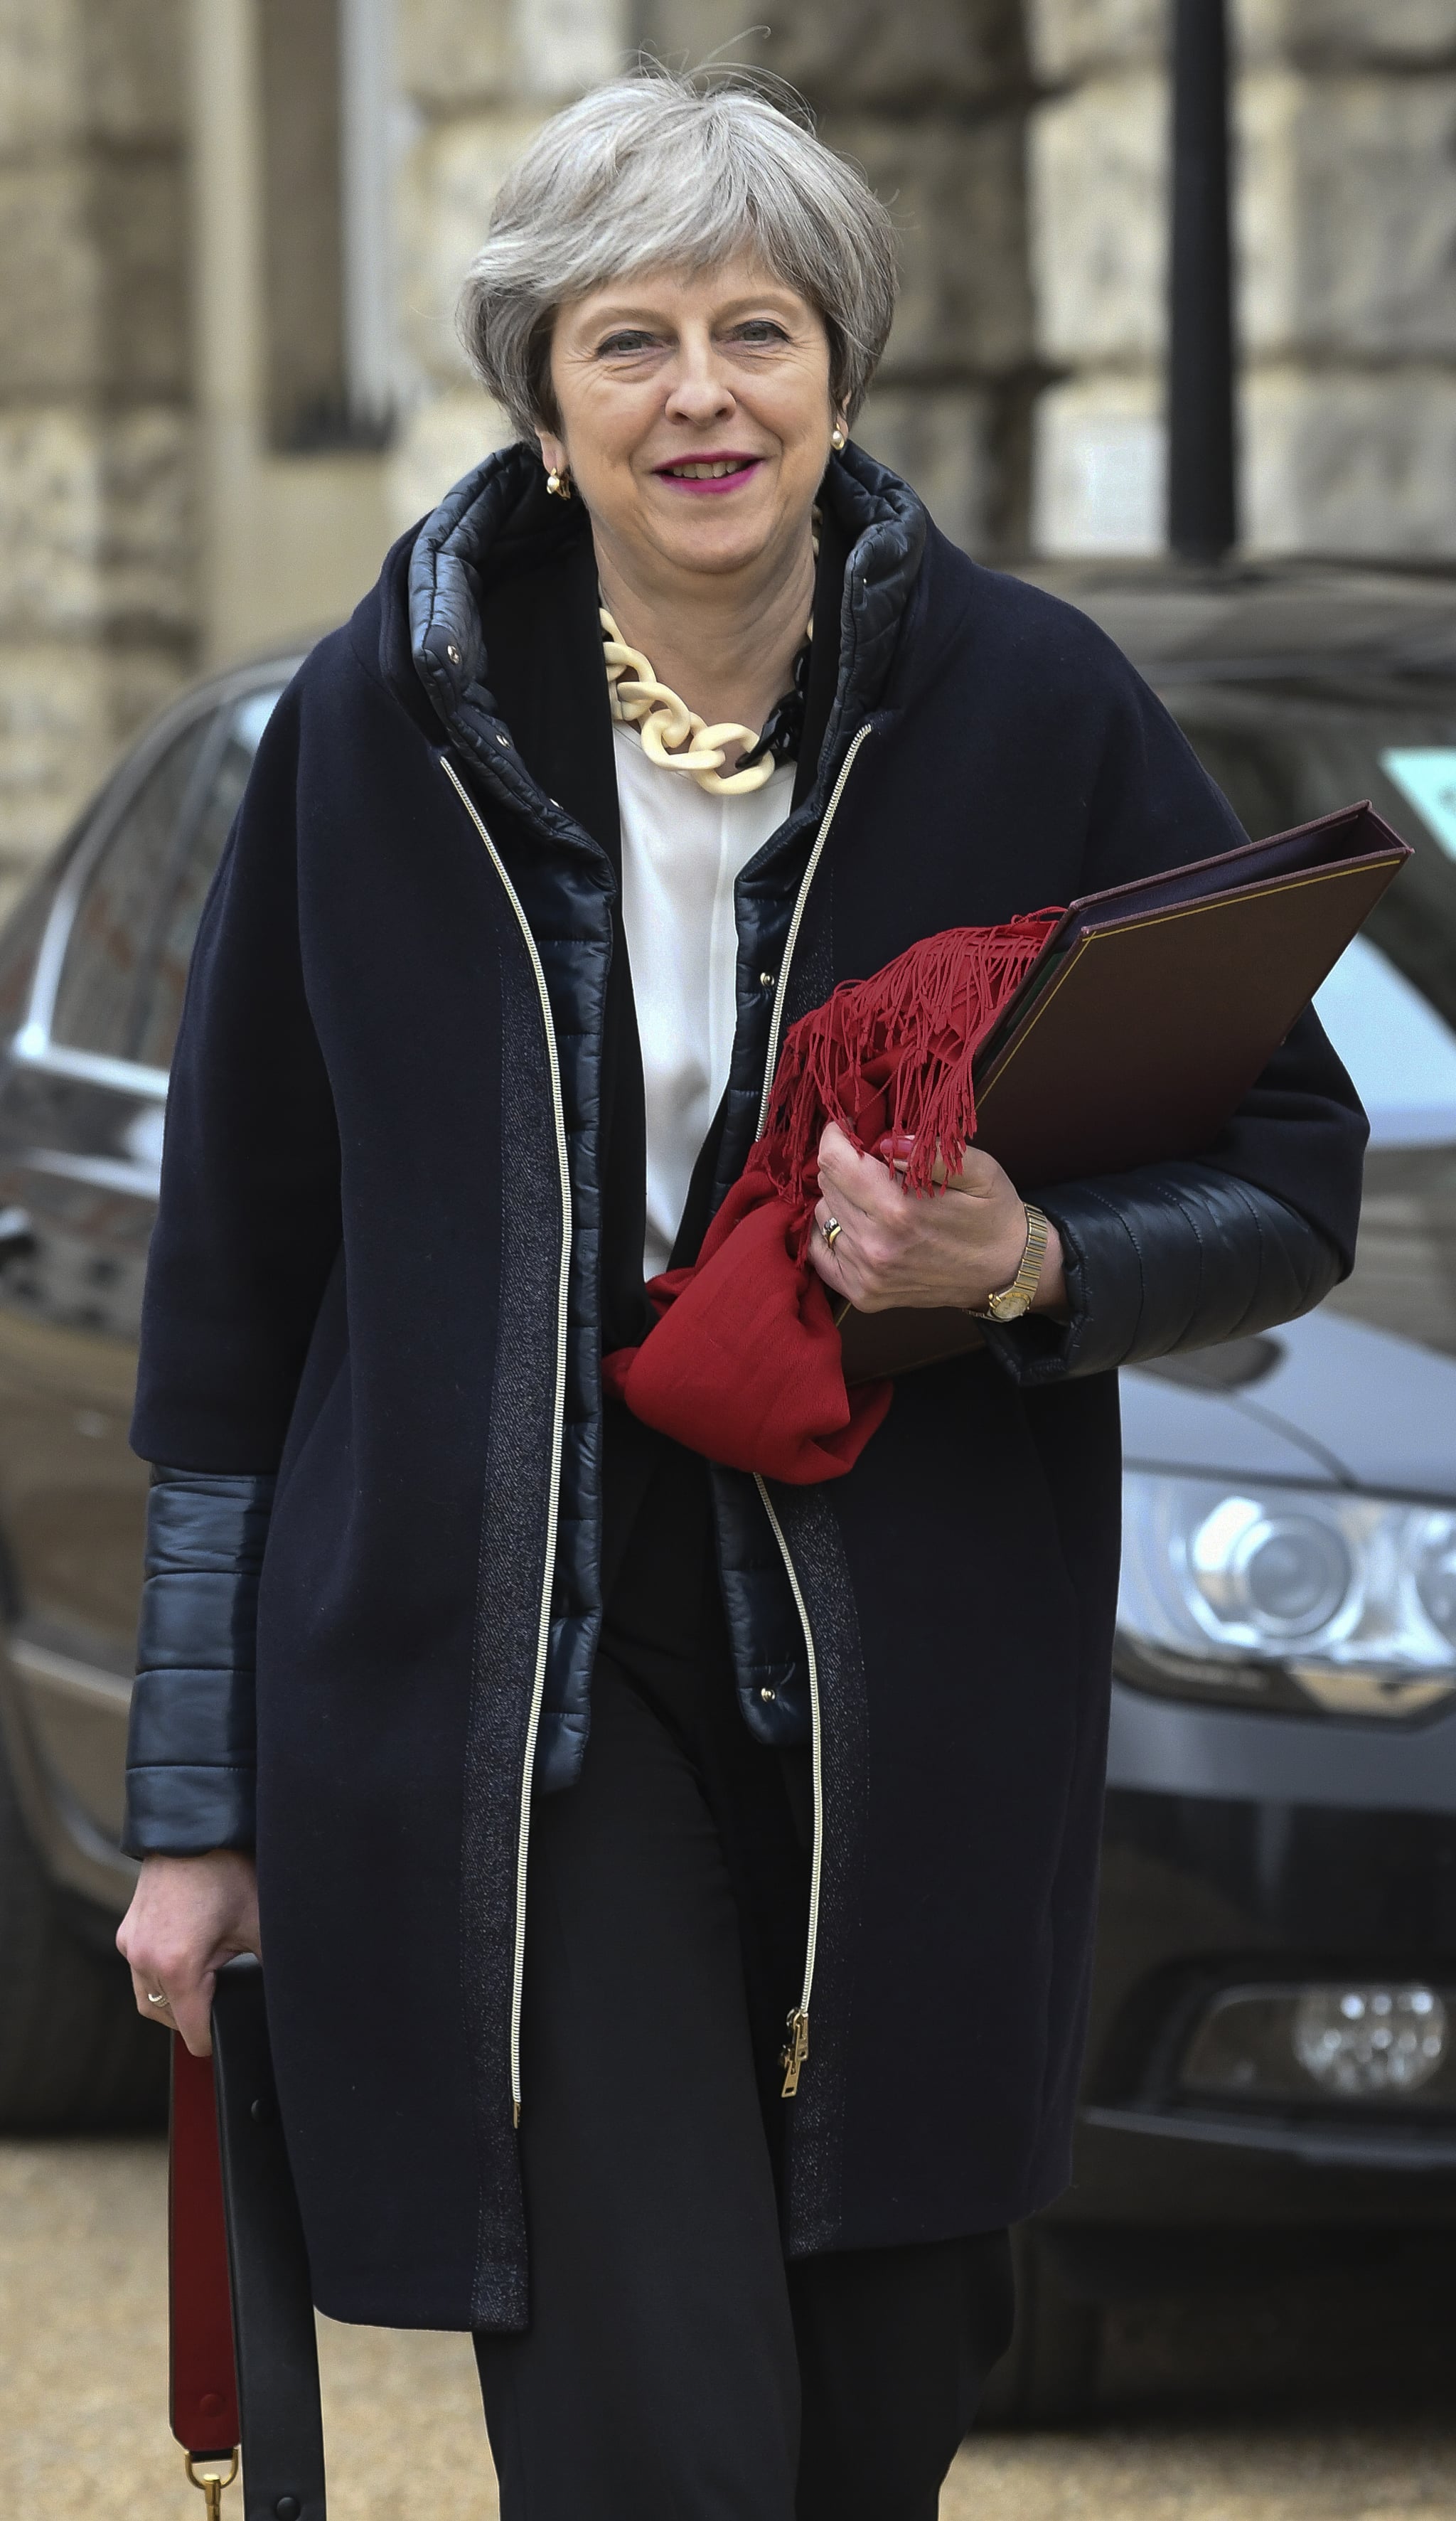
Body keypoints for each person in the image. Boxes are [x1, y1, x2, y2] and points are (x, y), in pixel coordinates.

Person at [116, 67, 1366, 2521]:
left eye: (760, 329)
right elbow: (234, 1287)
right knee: (659, 2442)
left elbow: (1292, 1172)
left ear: (840, 370)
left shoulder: (1033, 705)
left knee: (869, 2417)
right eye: (632, 340)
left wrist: (1030, 1257)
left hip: (916, 1690)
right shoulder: (380, 730)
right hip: (518, 1704)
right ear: (543, 402)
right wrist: (193, 1812)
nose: (705, 393)